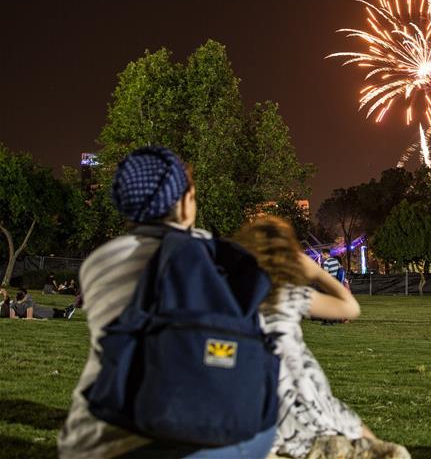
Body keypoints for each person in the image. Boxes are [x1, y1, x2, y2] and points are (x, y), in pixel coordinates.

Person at [58, 146, 276, 459]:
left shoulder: (98, 263)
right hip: (193, 434)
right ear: (186, 202)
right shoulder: (215, 256)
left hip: (98, 437)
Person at [234, 216, 409, 459]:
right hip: (305, 401)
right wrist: (317, 273)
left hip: (258, 408)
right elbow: (350, 308)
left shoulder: (229, 295)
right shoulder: (286, 295)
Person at [8, 288, 75, 319]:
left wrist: (19, 317)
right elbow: (29, 317)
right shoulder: (28, 302)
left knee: (52, 310)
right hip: (40, 313)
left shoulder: (13, 303)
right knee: (52, 312)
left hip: (39, 309)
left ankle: (66, 310)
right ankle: (65, 314)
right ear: (25, 295)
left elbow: (12, 316)